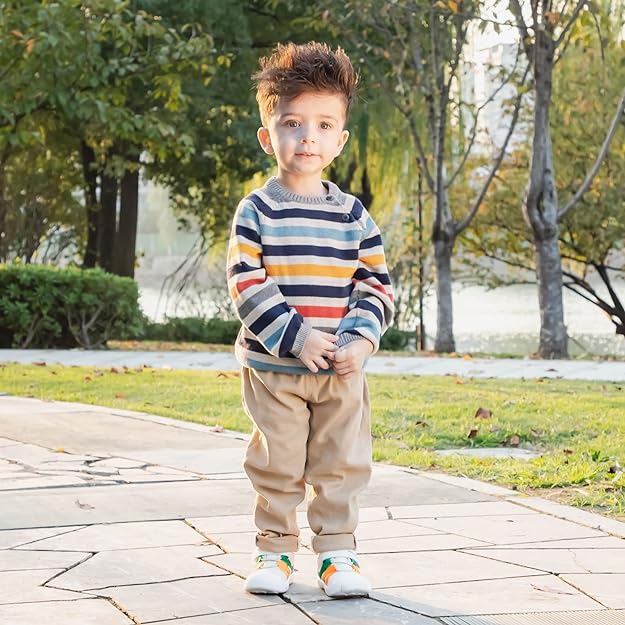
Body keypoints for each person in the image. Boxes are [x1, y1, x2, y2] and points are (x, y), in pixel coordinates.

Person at [226, 41, 394, 598]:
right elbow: (245, 280)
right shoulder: (257, 210)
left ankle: (337, 554)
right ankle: (274, 549)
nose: (307, 137)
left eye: (323, 125)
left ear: (340, 139)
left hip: (340, 370)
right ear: (267, 136)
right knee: (277, 461)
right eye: (292, 123)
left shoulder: (353, 216)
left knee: (340, 462)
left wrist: (359, 342)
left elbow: (374, 284)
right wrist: (296, 338)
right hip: (275, 368)